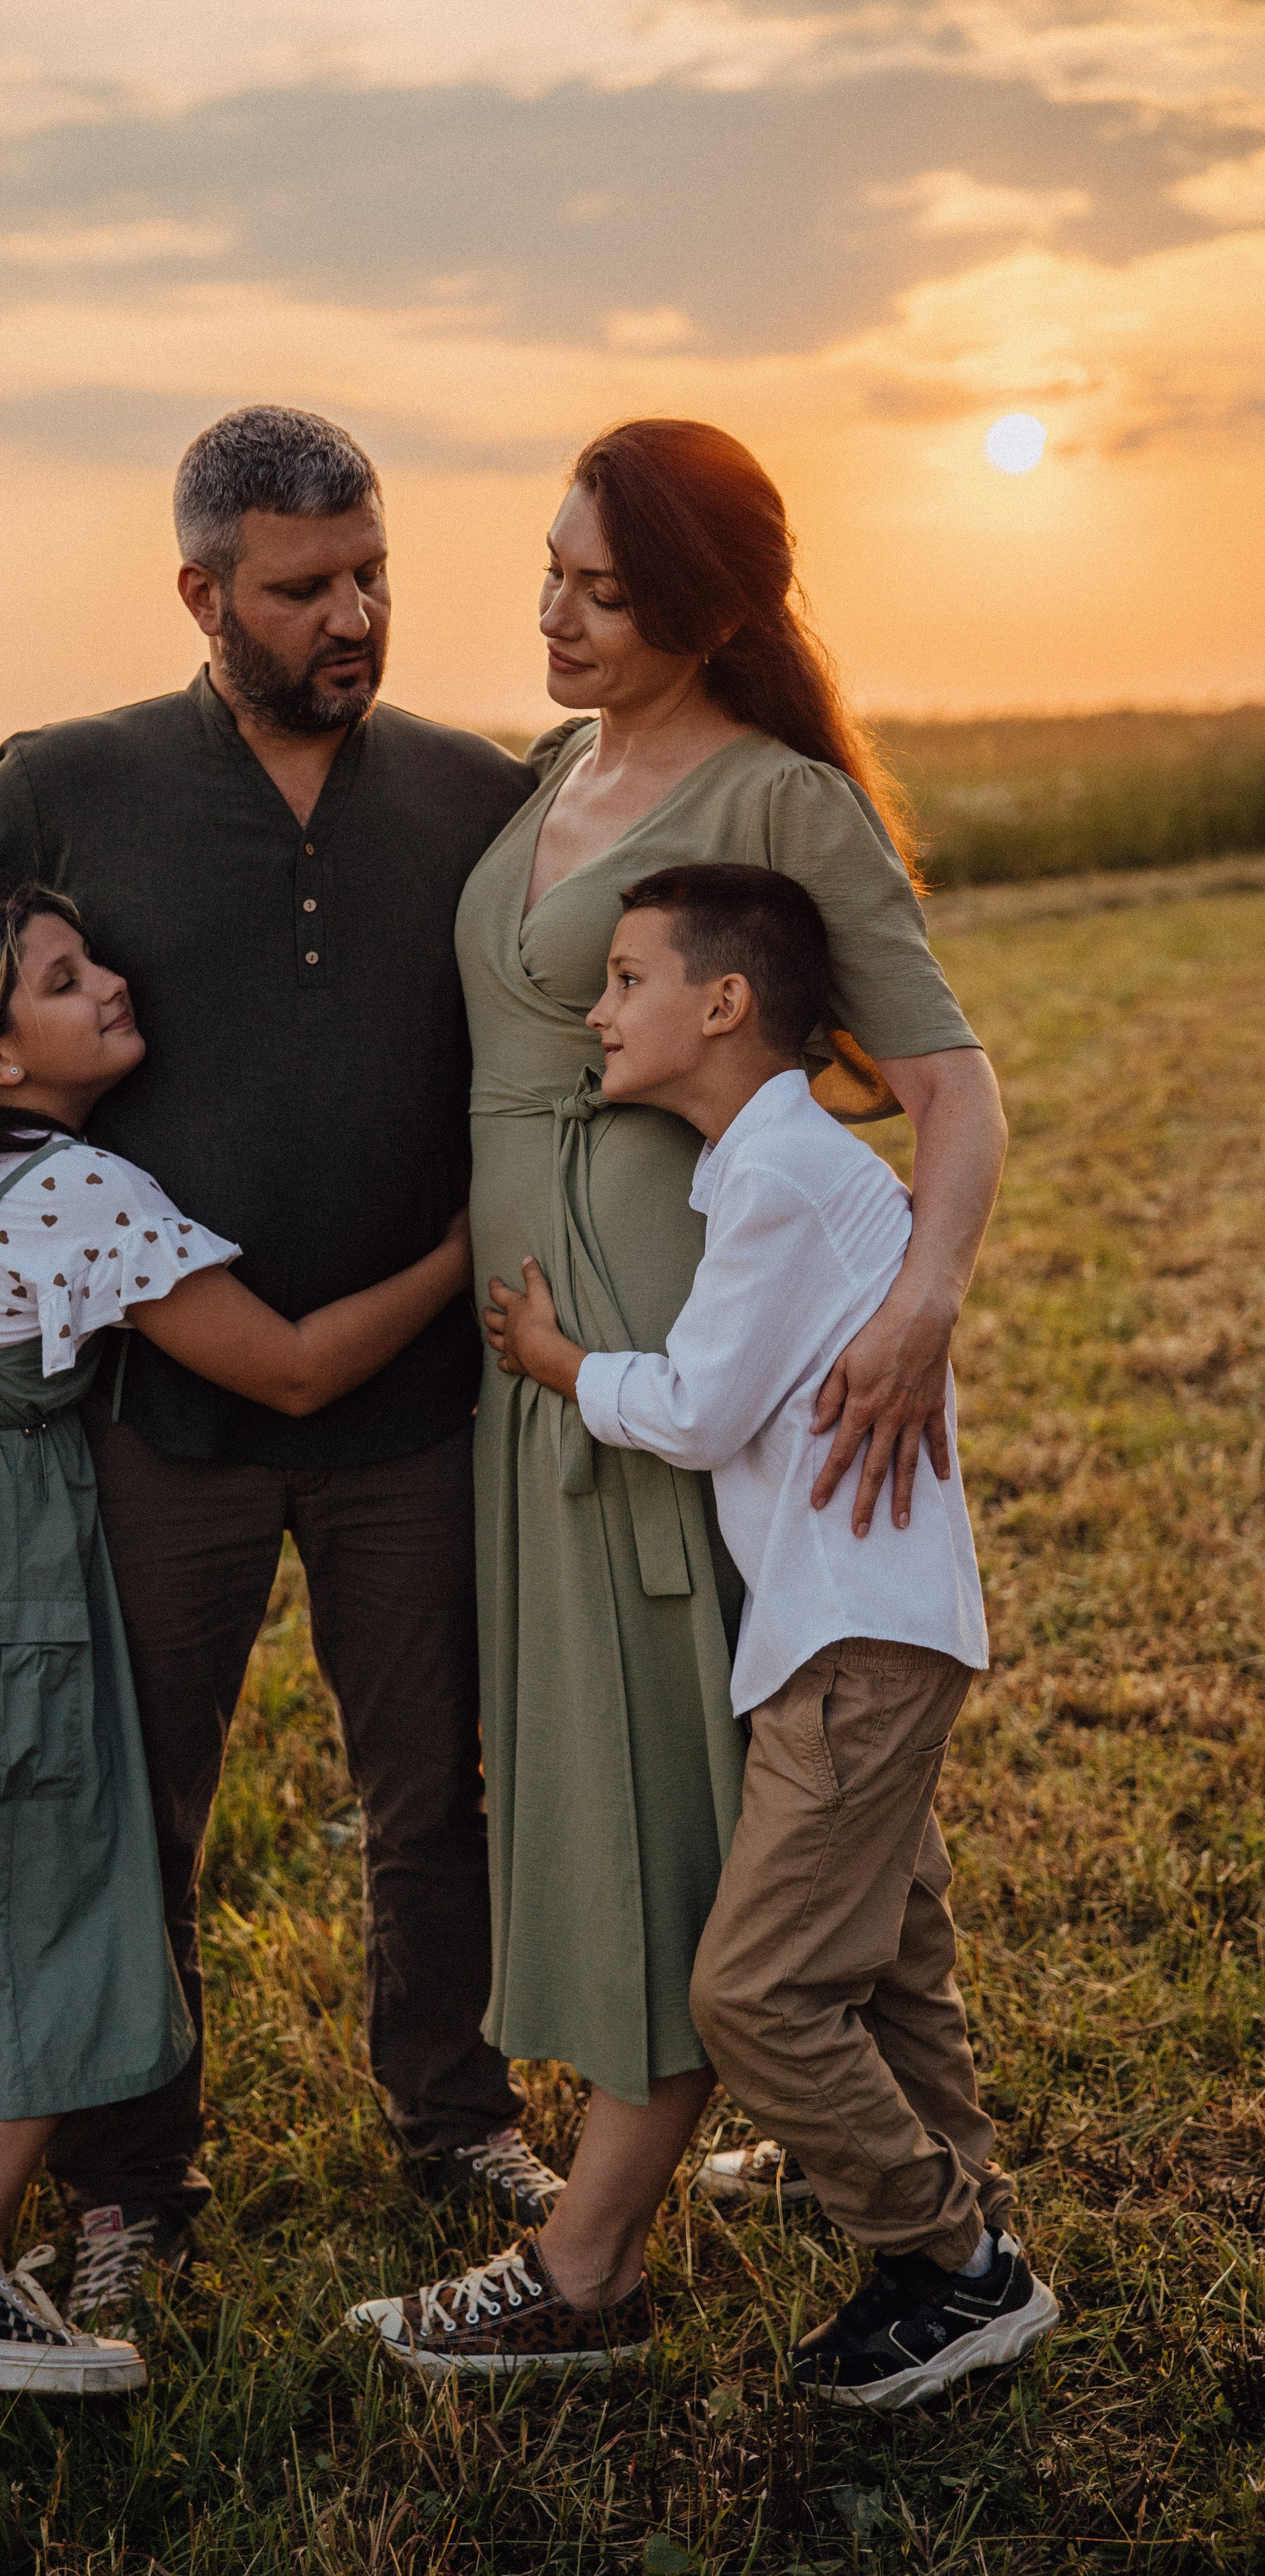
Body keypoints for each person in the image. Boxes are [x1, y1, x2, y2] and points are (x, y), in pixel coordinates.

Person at [0, 408, 563, 2330]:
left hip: (410, 1410)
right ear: (202, 591)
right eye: (305, 585)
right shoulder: (73, 780)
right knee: (135, 1804)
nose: (354, 612)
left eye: (372, 571)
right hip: (164, 1418)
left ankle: (453, 2109)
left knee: (431, 1789)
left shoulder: (471, 794)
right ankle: (132, 2174)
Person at [343, 415, 1009, 2377]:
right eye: (546, 568)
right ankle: (922, 2170)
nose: (550, 611)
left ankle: (585, 2264)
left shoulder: (780, 800)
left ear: (708, 610)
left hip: (662, 1354)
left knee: (679, 1768)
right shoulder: (554, 770)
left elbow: (951, 1081)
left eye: (601, 588)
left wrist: (928, 1303)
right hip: (549, 1368)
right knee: (761, 1780)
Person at [0, 881, 478, 2392]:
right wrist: (460, 1255)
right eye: (65, 982)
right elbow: (300, 1371)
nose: (113, 983)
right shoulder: (82, 1195)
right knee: (67, 1908)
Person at [463, 865, 1054, 2410]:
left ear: (720, 1005)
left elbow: (700, 1406)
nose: (595, 1010)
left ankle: (950, 2264)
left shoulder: (783, 1174)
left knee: (754, 1992)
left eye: (622, 979)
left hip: (851, 1635)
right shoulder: (771, 1165)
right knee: (896, 1954)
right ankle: (957, 2204)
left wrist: (555, 1362)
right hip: (858, 1622)